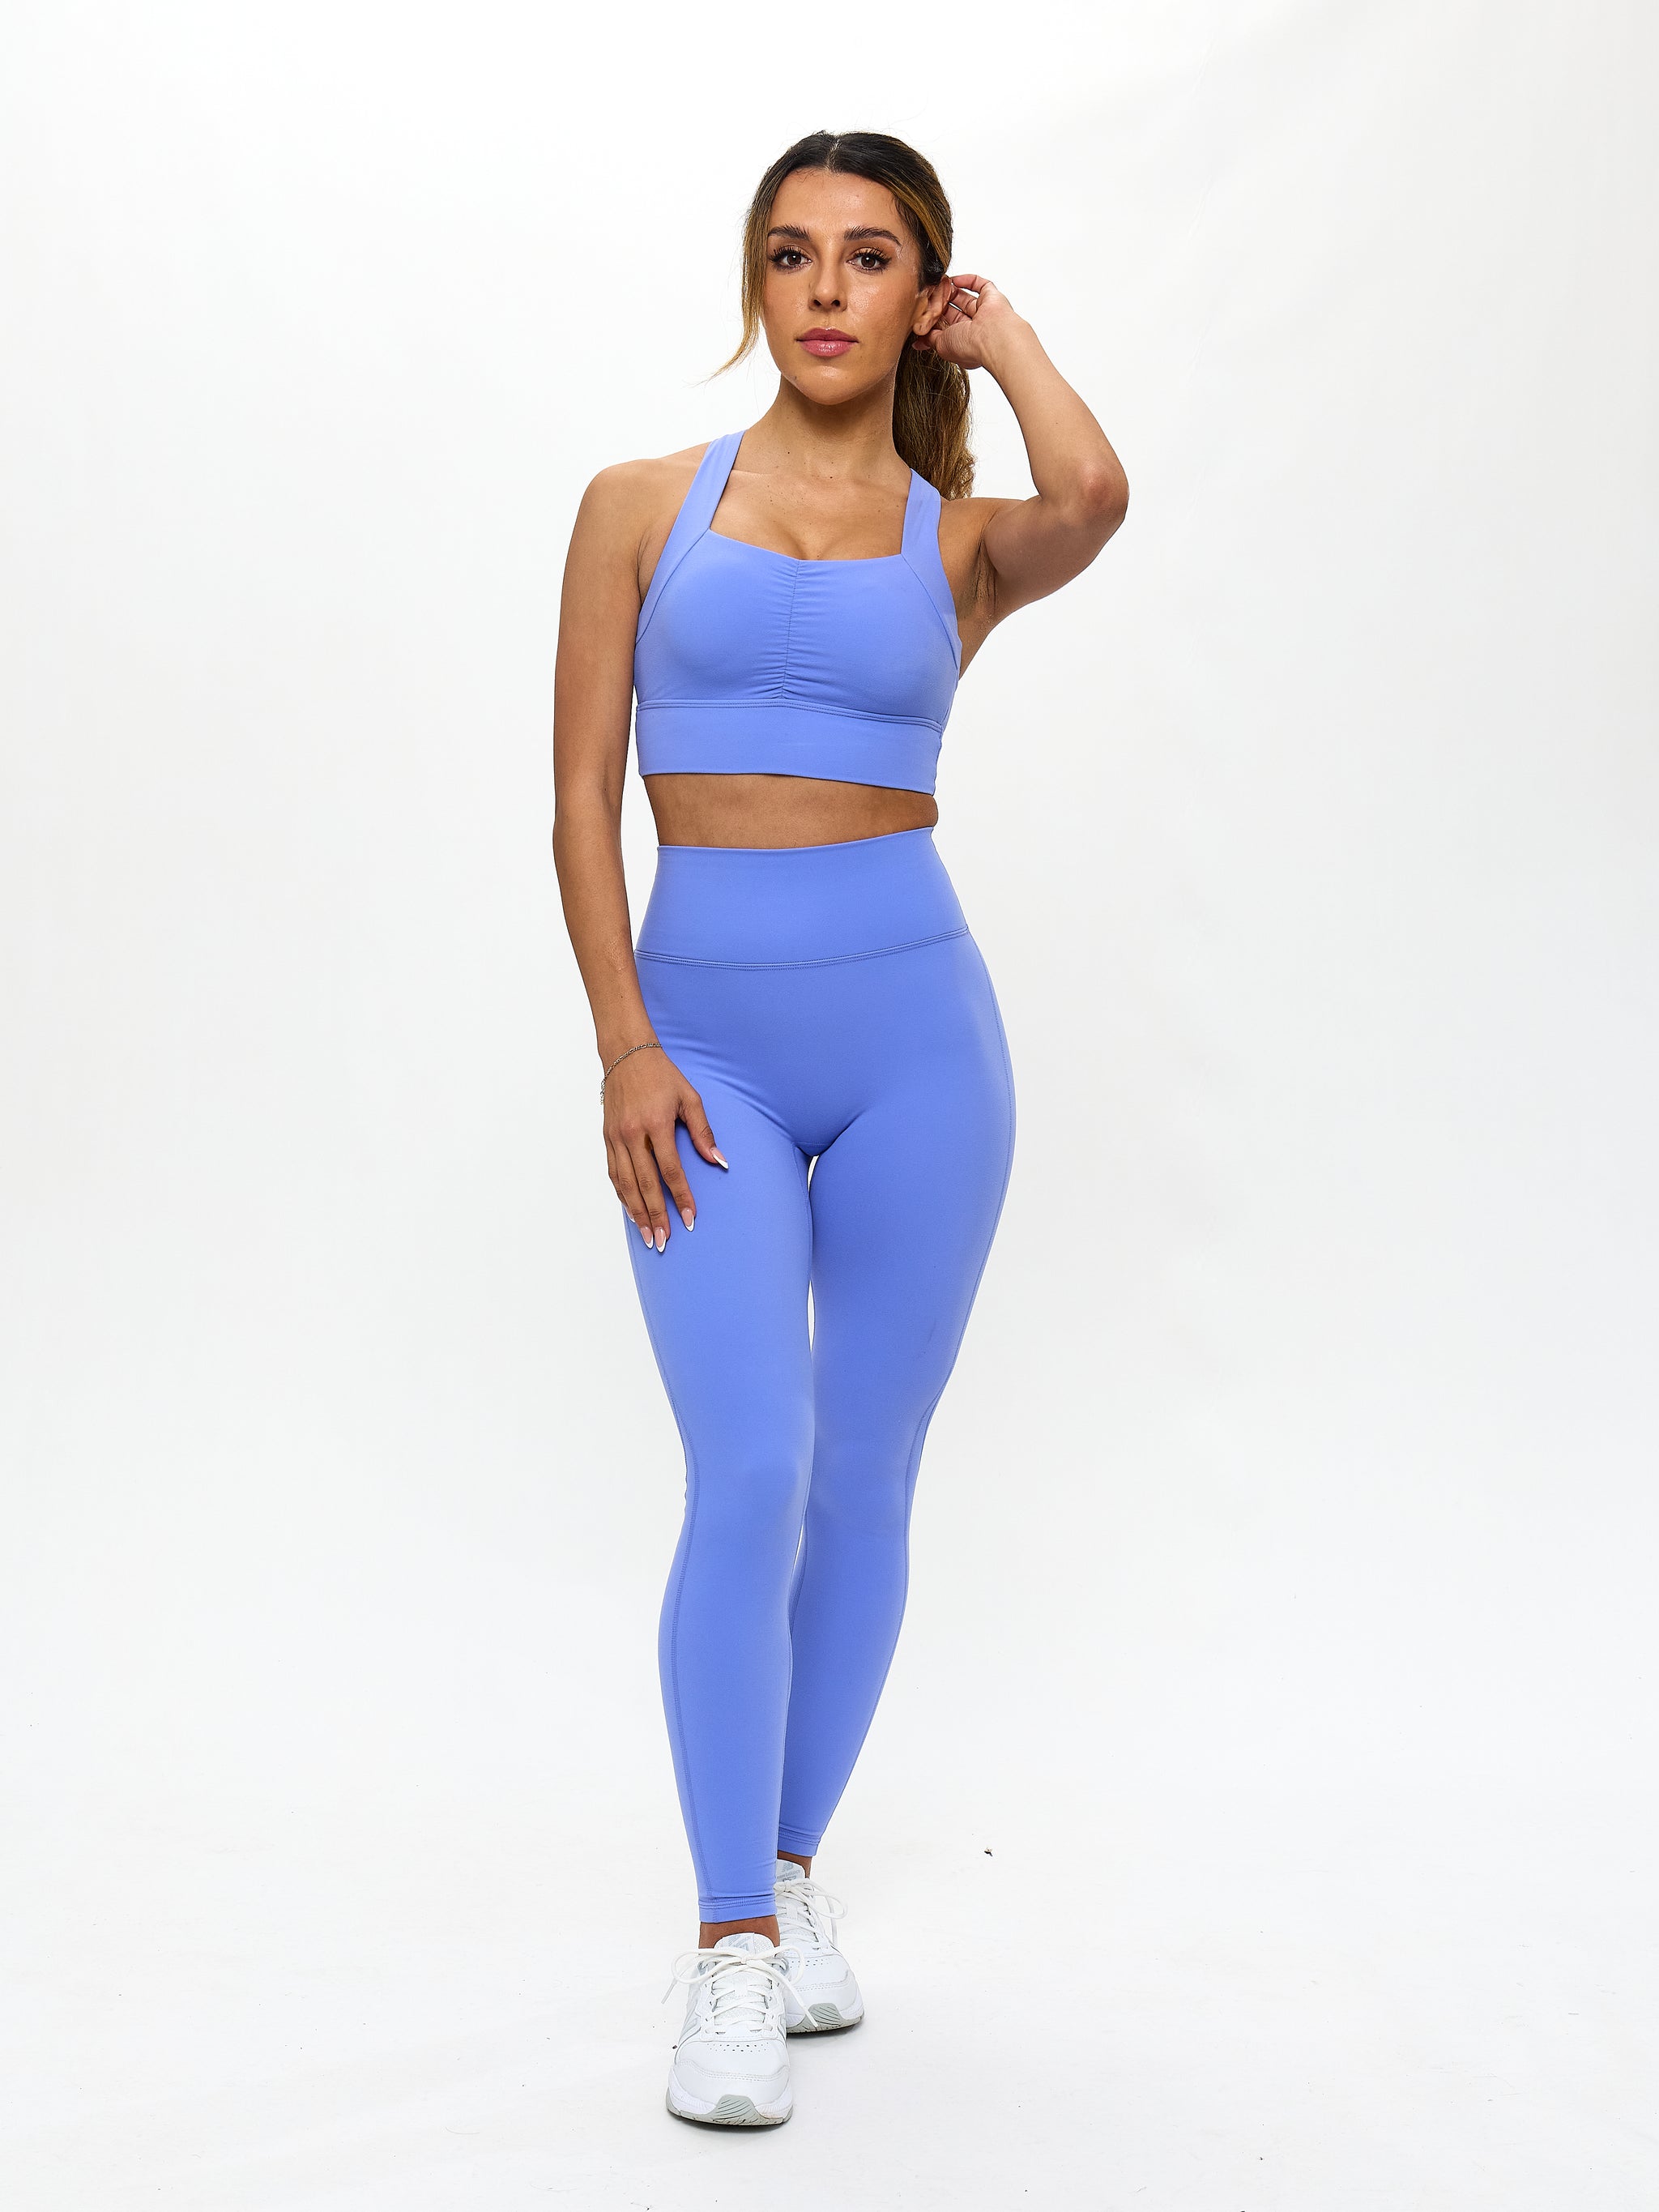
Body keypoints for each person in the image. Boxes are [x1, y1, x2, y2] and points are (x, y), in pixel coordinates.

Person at [552, 129, 1127, 2127]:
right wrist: (626, 1046)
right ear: (756, 282)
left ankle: (789, 1883)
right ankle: (726, 1942)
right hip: (699, 1049)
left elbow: (1096, 498)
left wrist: (1009, 338)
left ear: (918, 294)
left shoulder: (958, 544)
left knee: (863, 1476)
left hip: (919, 1050)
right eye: (791, 253)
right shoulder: (640, 505)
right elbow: (580, 800)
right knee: (750, 1464)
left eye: (871, 258)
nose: (823, 289)